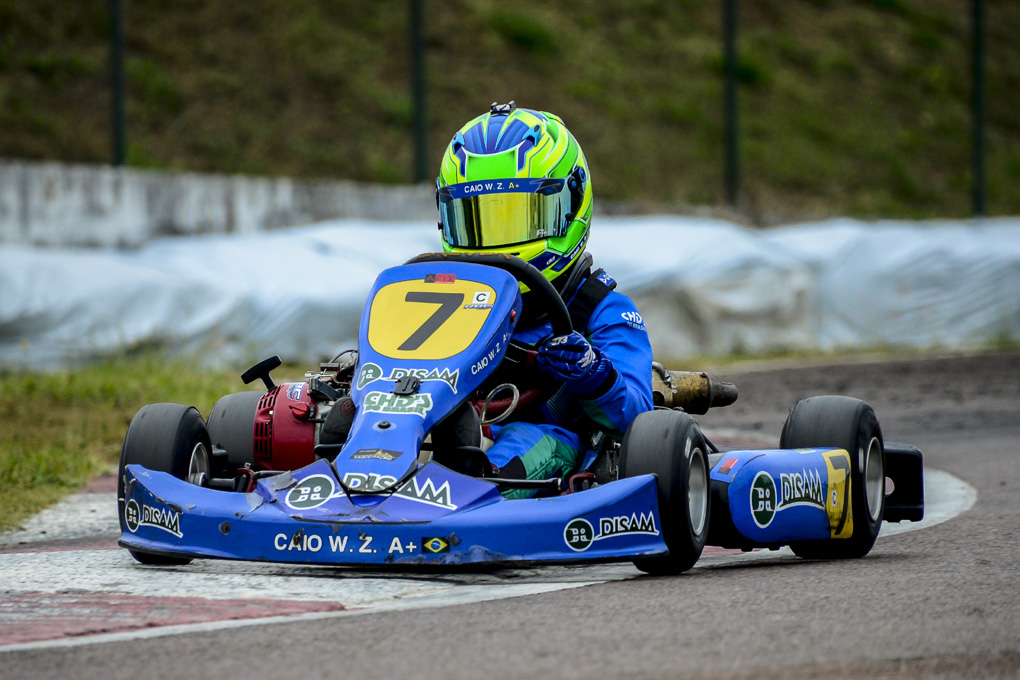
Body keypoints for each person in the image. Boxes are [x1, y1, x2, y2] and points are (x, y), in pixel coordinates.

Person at [435, 102, 653, 495]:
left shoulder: (601, 309)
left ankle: (469, 494)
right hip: (450, 430)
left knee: (523, 440)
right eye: (478, 219)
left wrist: (594, 374)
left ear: (570, 205)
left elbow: (640, 417)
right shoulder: (449, 302)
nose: (499, 244)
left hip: (550, 440)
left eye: (521, 215)